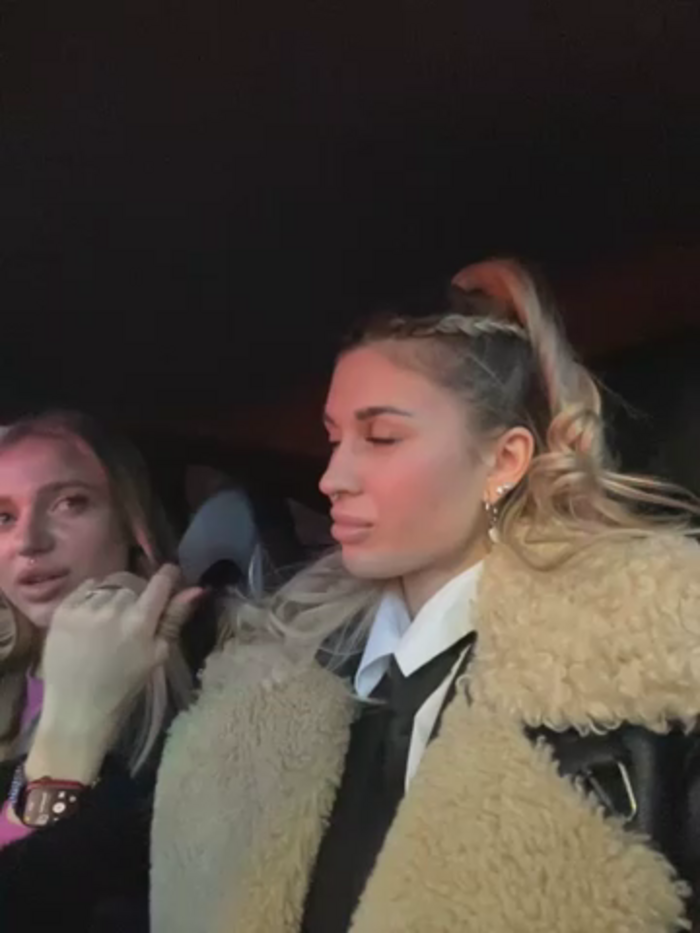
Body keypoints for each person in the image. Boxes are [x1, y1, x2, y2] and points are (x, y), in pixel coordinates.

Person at [157, 257, 699, 932]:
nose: (332, 477)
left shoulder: (655, 675)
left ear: (504, 460)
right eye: (334, 439)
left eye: (381, 437)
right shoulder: (274, 685)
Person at [0, 411, 202, 932]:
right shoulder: (11, 683)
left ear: (132, 524)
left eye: (70, 503)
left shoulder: (204, 706)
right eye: (3, 518)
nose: (29, 541)